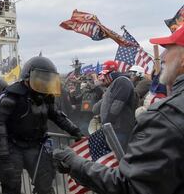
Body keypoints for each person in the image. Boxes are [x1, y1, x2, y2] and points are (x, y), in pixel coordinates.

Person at [53, 25, 184, 194]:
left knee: (119, 162)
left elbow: (129, 186)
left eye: (168, 48)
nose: (163, 57)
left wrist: (74, 163)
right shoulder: (113, 87)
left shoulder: (165, 117)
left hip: (120, 130)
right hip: (115, 129)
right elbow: (98, 107)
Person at [0, 56, 83, 194]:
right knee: (11, 185)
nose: (43, 83)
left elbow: (57, 115)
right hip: (13, 146)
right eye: (40, 78)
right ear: (27, 78)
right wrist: (4, 154)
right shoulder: (12, 95)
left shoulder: (46, 96)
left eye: (46, 79)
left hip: (36, 146)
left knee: (45, 185)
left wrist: (75, 131)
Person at [97, 60, 136, 151]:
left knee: (118, 155)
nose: (104, 77)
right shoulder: (116, 83)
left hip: (119, 128)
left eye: (106, 74)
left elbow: (117, 105)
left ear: (113, 73)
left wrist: (107, 122)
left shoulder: (122, 81)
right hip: (114, 128)